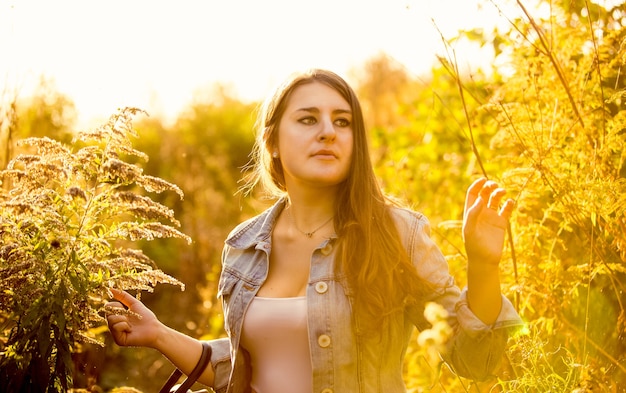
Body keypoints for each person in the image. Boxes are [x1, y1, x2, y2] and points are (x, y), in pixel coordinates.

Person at [106, 68, 523, 393]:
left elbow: (475, 361)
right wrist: (158, 334)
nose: (328, 131)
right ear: (272, 141)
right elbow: (244, 367)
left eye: (342, 122)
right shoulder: (245, 244)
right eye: (308, 119)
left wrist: (484, 265)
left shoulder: (397, 233)